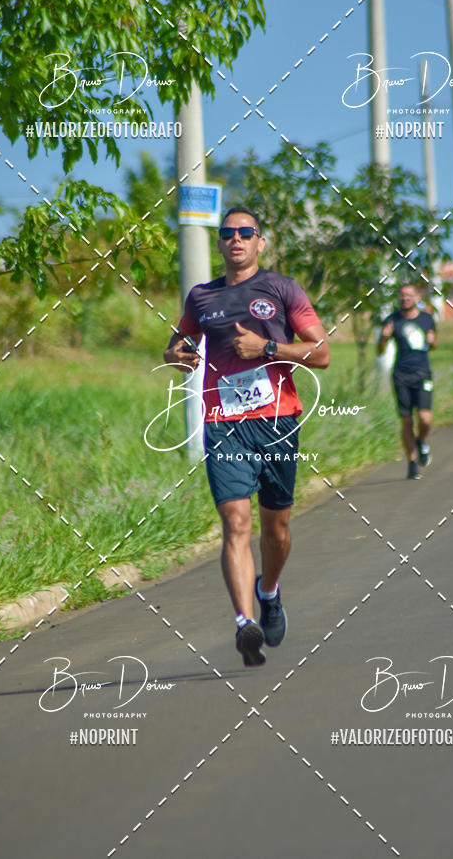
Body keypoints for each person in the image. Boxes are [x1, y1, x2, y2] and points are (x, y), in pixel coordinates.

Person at [163, 207, 330, 666]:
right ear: (219, 243)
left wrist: (267, 348)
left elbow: (321, 354)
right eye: (227, 233)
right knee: (236, 524)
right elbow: (178, 344)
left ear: (260, 242)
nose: (235, 239)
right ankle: (244, 623)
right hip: (222, 422)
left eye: (245, 233)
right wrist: (177, 354)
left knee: (275, 529)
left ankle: (269, 591)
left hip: (278, 420)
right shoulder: (201, 296)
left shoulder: (282, 289)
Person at [377, 283, 436, 480]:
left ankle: (421, 441)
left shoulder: (427, 319)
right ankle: (412, 462)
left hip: (423, 373)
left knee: (425, 418)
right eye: (402, 296)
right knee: (407, 420)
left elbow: (434, 345)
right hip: (401, 375)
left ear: (417, 297)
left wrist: (432, 341)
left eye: (409, 295)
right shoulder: (392, 320)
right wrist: (384, 338)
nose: (405, 299)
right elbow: (379, 350)